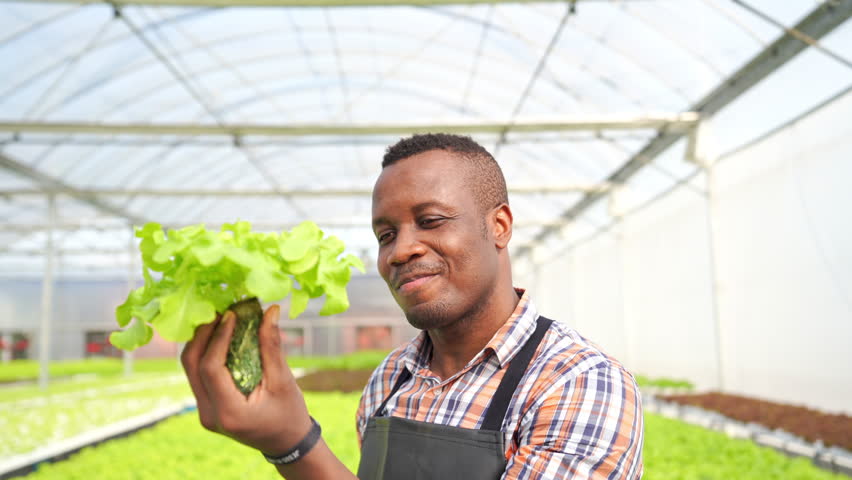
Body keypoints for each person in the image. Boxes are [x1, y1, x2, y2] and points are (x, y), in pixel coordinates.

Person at [181, 133, 644, 480]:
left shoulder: (576, 381)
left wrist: (296, 444)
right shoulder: (391, 377)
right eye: (386, 235)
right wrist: (288, 445)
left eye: (431, 221)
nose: (400, 251)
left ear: (499, 226)